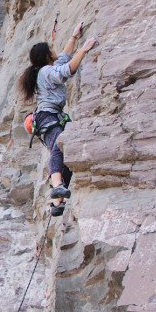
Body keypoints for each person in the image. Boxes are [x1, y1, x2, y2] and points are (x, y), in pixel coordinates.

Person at [18, 22, 98, 216]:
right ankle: (57, 187)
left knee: (65, 153)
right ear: (47, 55)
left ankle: (57, 203)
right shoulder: (46, 71)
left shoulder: (46, 69)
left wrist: (73, 36)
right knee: (58, 147)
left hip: (50, 116)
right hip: (48, 116)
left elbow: (63, 58)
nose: (54, 50)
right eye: (51, 49)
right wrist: (84, 50)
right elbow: (67, 70)